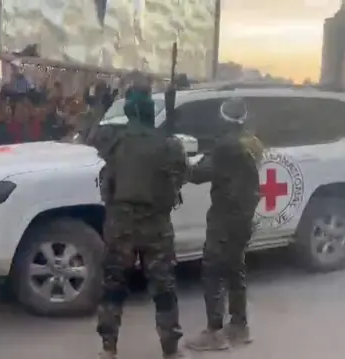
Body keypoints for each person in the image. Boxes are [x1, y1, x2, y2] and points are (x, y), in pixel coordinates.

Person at [96, 82, 189, 359]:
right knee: (163, 288)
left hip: (120, 223)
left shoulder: (114, 139)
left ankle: (108, 348)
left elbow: (93, 137)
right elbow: (182, 175)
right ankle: (170, 350)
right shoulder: (168, 143)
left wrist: (101, 105)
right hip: (156, 226)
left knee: (114, 285)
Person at [184, 97, 263, 352]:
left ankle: (214, 332)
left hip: (224, 217)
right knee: (235, 268)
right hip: (244, 216)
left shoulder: (225, 146)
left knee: (213, 272)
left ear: (223, 118)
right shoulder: (252, 142)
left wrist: (180, 161)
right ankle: (240, 327)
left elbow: (198, 175)